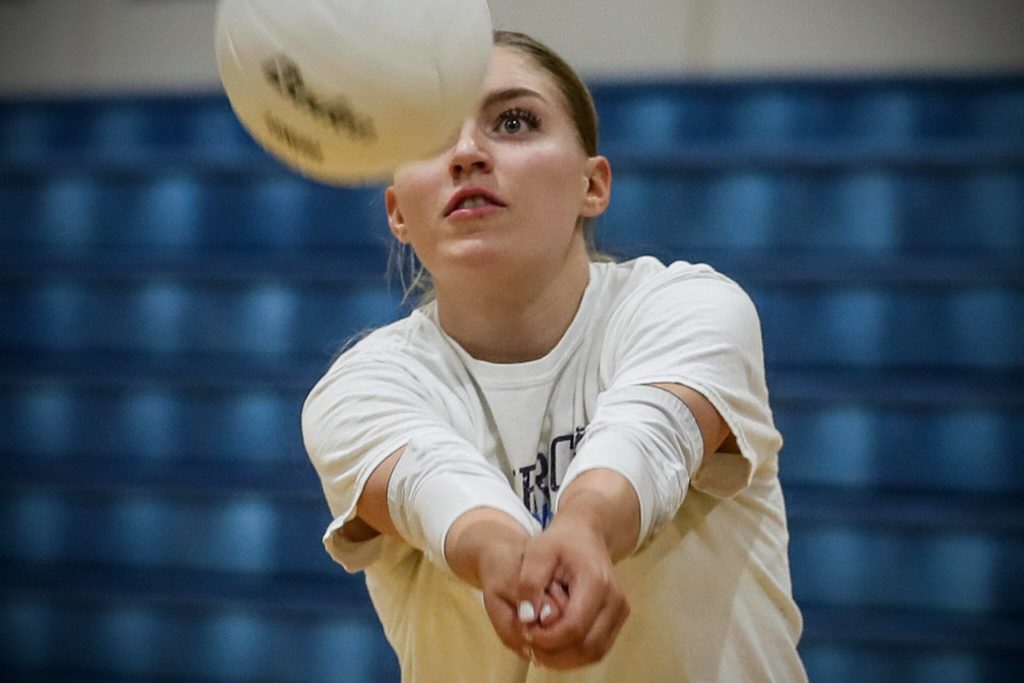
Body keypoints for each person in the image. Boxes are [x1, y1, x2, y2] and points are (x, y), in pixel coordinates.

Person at [302, 30, 806, 681]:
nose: (465, 153)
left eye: (514, 121)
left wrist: (588, 526)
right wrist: (501, 553)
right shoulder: (359, 388)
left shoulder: (692, 307)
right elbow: (433, 486)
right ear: (398, 212)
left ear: (592, 185)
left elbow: (649, 432)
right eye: (429, 136)